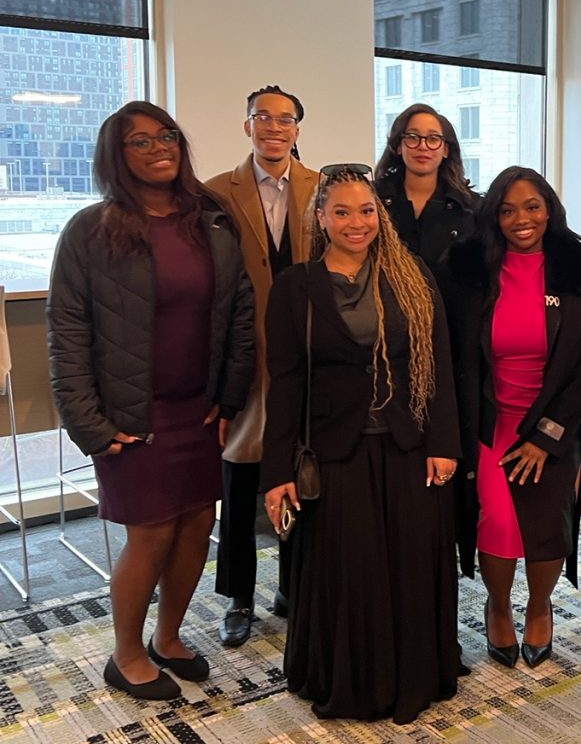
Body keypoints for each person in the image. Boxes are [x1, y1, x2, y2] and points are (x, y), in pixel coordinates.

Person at [47, 102, 255, 700]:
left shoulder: (210, 220)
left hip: (199, 409)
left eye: (166, 136)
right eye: (140, 141)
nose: (159, 147)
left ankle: (168, 637)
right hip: (133, 414)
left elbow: (239, 311)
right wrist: (88, 423)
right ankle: (126, 654)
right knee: (152, 533)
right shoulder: (91, 230)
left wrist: (230, 396)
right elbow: (67, 332)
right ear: (116, 155)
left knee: (197, 525)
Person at [260, 164, 461, 723]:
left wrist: (444, 442)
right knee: (351, 573)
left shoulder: (412, 276)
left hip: (408, 444)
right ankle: (351, 682)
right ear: (321, 217)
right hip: (334, 452)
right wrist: (276, 472)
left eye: (367, 210)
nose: (357, 222)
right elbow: (285, 385)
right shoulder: (295, 287)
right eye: (342, 211)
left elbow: (439, 366)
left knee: (410, 566)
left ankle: (413, 677)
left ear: (381, 216)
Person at [446, 166, 581, 669]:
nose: (521, 219)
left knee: (548, 522)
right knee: (496, 519)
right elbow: (455, 355)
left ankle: (539, 607)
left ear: (549, 210)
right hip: (491, 421)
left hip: (554, 422)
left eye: (532, 206)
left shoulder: (576, 271)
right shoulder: (470, 272)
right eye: (508, 210)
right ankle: (498, 606)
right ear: (493, 216)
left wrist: (545, 437)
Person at [206, 84, 319, 646]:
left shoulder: (322, 188)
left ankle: (293, 587)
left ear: (298, 129)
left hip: (306, 351)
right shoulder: (214, 193)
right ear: (247, 125)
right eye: (263, 117)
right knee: (240, 479)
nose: (275, 127)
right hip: (244, 353)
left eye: (285, 119)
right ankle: (239, 596)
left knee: (302, 472)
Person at [374, 103, 478, 276]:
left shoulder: (470, 208)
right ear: (399, 146)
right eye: (413, 137)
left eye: (433, 138)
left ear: (445, 149)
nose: (423, 146)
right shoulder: (373, 200)